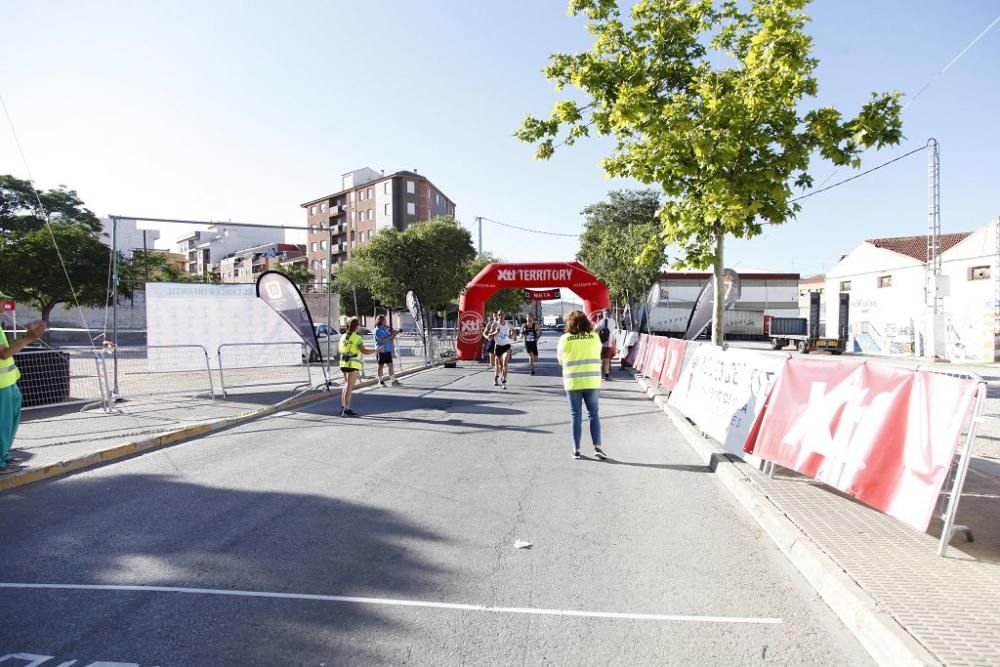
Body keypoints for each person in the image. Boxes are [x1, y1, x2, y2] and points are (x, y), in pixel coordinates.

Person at [557, 310, 606, 461]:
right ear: (586, 322)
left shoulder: (565, 339)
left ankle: (576, 450)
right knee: (593, 414)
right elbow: (597, 354)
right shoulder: (594, 337)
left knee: (575, 416)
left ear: (570, 322)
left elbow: (560, 360)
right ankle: (597, 447)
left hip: (573, 382)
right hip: (592, 381)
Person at [1, 319, 47, 473]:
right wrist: (29, 337)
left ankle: (4, 455)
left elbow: (6, 348)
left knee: (8, 424)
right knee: (3, 424)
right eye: (1, 300)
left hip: (8, 382)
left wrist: (26, 335)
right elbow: (4, 353)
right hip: (1, 385)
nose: (3, 304)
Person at [338, 318, 372, 417]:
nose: (360, 327)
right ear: (356, 326)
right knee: (349, 387)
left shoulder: (343, 336)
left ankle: (343, 406)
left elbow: (340, 350)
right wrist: (375, 350)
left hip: (343, 363)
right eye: (359, 325)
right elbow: (364, 351)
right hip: (352, 364)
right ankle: (347, 409)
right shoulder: (357, 338)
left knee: (346, 385)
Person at [373, 315, 402, 387]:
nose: (386, 321)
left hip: (387, 350)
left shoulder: (385, 329)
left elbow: (390, 338)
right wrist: (392, 334)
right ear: (382, 321)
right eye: (385, 320)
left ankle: (393, 381)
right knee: (381, 366)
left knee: (391, 365)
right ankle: (380, 381)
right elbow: (382, 340)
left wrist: (395, 334)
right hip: (381, 351)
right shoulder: (377, 330)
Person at [492, 310, 513, 389]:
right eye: (499, 314)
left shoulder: (508, 324)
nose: (501, 316)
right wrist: (494, 332)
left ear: (505, 315)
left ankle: (504, 381)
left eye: (502, 314)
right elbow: (489, 335)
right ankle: (496, 377)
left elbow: (513, 330)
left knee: (505, 363)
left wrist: (511, 335)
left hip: (506, 346)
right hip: (498, 346)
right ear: (497, 316)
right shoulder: (495, 324)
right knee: (500, 365)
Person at [594, 308, 615, 380]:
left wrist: (597, 319)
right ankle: (606, 375)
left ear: (603, 314)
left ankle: (598, 375)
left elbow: (595, 330)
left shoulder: (601, 321)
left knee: (599, 360)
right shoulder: (613, 322)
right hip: (608, 344)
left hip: (600, 343)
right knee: (606, 360)